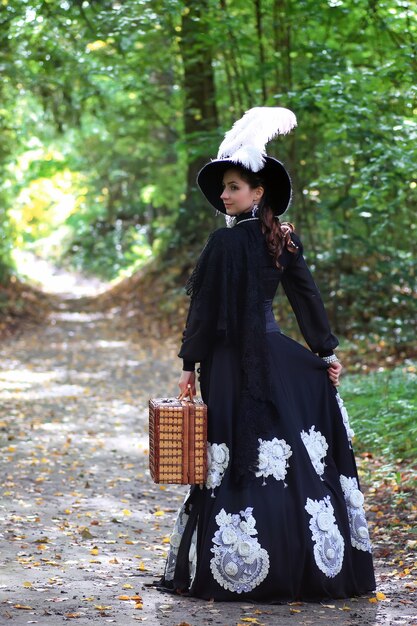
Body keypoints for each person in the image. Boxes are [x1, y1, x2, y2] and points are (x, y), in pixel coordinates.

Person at [159, 107, 376, 601]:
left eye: (234, 186)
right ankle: (296, 562)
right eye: (224, 187)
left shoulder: (227, 243)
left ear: (258, 193)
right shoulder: (280, 238)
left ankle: (247, 564)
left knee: (240, 454)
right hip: (269, 356)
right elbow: (306, 298)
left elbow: (205, 312)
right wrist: (323, 351)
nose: (224, 194)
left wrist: (189, 366)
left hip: (230, 364)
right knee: (283, 457)